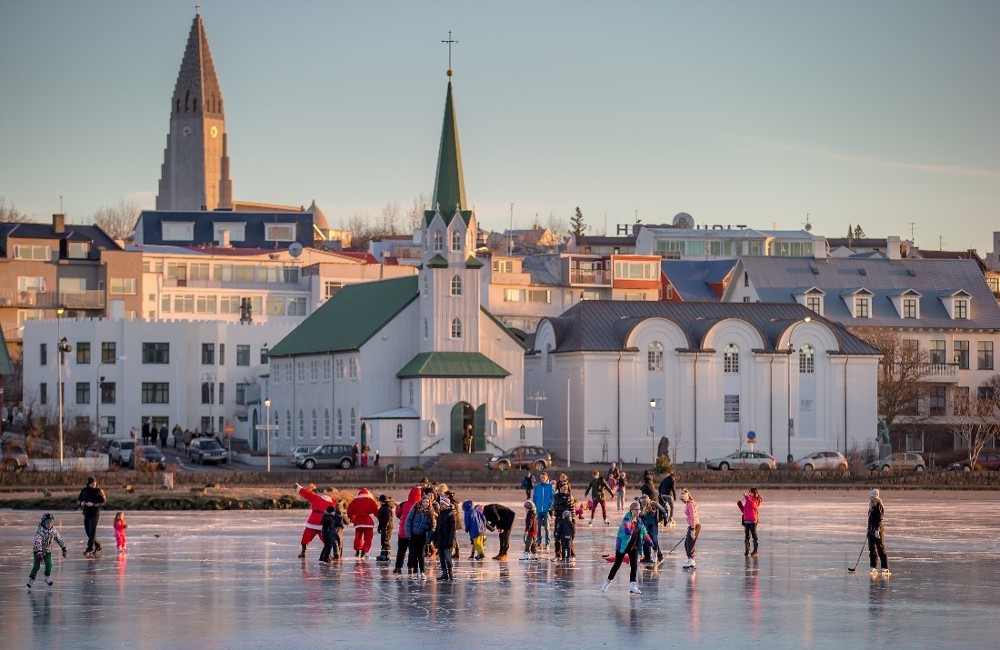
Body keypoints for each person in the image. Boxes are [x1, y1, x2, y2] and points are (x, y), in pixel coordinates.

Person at [601, 500, 652, 595]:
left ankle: (633, 586)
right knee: (617, 565)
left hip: (634, 546)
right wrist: (628, 530)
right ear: (631, 510)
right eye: (636, 509)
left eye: (639, 509)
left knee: (634, 566)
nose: (638, 511)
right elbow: (625, 527)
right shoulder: (627, 519)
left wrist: (649, 540)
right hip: (623, 545)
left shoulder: (639, 521)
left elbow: (644, 532)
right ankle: (607, 583)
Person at [26, 513, 67, 589]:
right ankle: (31, 579)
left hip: (48, 552)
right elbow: (38, 541)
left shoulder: (53, 531)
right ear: (43, 522)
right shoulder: (40, 531)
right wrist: (39, 552)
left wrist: (63, 547)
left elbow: (59, 538)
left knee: (49, 565)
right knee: (36, 566)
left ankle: (47, 577)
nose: (49, 524)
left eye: (51, 522)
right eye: (47, 522)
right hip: (38, 552)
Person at [294, 483, 334, 559]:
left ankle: (303, 552)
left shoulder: (316, 498)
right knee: (326, 539)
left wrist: (298, 488)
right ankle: (328, 554)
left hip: (312, 522)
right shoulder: (332, 503)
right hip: (323, 523)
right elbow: (336, 513)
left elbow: (307, 494)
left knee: (306, 537)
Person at [393, 486, 422, 574]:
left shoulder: (402, 504)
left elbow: (397, 514)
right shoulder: (419, 506)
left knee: (401, 551)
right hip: (413, 533)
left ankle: (398, 567)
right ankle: (411, 566)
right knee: (412, 551)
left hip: (402, 532)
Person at [346, 488, 379, 559]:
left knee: (358, 537)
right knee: (368, 538)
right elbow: (376, 511)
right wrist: (380, 518)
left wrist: (352, 518)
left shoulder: (355, 501)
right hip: (367, 522)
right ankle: (364, 552)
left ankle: (357, 551)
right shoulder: (370, 500)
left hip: (358, 522)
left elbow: (349, 510)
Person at [405, 496, 434, 579]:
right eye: (424, 502)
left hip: (422, 536)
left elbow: (431, 527)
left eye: (427, 502)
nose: (425, 504)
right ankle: (415, 571)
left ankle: (422, 571)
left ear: (429, 504)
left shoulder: (430, 513)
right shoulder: (415, 510)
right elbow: (408, 521)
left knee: (421, 554)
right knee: (413, 554)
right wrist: (408, 534)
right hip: (413, 535)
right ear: (421, 502)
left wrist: (428, 538)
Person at [78, 476, 106, 556]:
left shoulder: (99, 491)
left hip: (95, 513)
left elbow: (103, 502)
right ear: (89, 483)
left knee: (92, 531)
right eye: (92, 483)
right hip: (86, 513)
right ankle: (97, 545)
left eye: (95, 483)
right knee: (88, 531)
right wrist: (81, 503)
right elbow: (79, 500)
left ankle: (89, 548)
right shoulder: (84, 491)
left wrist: (93, 504)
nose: (94, 484)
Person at [433, 496, 457, 580]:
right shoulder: (440, 514)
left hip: (447, 540)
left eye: (443, 504)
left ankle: (450, 573)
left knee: (447, 557)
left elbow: (453, 529)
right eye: (440, 504)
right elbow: (437, 528)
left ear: (446, 505)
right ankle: (444, 574)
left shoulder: (451, 514)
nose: (441, 505)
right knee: (441, 557)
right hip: (440, 540)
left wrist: (451, 541)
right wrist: (434, 538)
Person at [867, 488, 890, 576]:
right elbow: (869, 519)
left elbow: (879, 518)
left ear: (875, 497)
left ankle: (885, 567)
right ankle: (873, 566)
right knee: (871, 549)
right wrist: (868, 530)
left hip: (877, 530)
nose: (870, 499)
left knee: (880, 548)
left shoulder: (879, 505)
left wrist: (877, 529)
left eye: (872, 497)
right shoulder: (871, 506)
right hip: (871, 530)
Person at [639, 496, 667, 563]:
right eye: (642, 503)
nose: (643, 504)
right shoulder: (640, 505)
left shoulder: (654, 504)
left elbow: (663, 509)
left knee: (654, 539)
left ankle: (655, 554)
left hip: (653, 524)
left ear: (648, 501)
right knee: (645, 539)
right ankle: (647, 557)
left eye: (645, 503)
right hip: (645, 524)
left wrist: (665, 519)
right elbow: (637, 514)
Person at [532, 472, 554, 550]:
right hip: (538, 510)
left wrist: (551, 506)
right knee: (538, 528)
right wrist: (535, 506)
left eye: (543, 478)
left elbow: (553, 497)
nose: (542, 479)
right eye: (541, 478)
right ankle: (539, 542)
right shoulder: (537, 487)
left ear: (546, 478)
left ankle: (547, 543)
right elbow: (534, 498)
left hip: (546, 510)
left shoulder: (550, 486)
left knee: (547, 528)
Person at [739, 487, 763, 556]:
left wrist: (747, 497)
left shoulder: (755, 500)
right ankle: (747, 550)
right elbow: (744, 511)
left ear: (754, 493)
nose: (749, 493)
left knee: (754, 534)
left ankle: (755, 550)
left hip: (753, 520)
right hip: (746, 520)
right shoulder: (748, 500)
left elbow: (753, 505)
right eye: (749, 492)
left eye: (750, 492)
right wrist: (740, 505)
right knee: (747, 535)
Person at [681, 489, 701, 569]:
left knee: (690, 544)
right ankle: (689, 558)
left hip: (695, 526)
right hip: (692, 525)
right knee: (686, 543)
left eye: (682, 499)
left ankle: (691, 560)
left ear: (686, 498)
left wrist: (692, 529)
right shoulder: (688, 503)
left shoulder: (690, 504)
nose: (682, 501)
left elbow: (693, 517)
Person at [376, 494, 396, 562]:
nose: (379, 502)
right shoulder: (383, 507)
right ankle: (383, 553)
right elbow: (381, 519)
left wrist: (384, 527)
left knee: (385, 540)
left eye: (380, 501)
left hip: (387, 527)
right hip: (385, 526)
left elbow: (387, 518)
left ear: (383, 501)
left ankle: (386, 554)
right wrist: (380, 526)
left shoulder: (387, 508)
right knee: (383, 540)